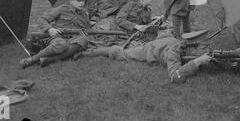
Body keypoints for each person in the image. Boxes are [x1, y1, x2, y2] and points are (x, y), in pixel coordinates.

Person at [81, 29, 214, 84]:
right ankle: (89, 52)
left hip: (166, 41)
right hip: (150, 50)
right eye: (203, 48)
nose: (207, 50)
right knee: (120, 52)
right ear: (192, 46)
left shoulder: (193, 49)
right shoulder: (175, 52)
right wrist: (196, 62)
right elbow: (175, 77)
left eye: (207, 47)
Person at [20, 0, 92, 68]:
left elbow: (87, 29)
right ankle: (32, 60)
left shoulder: (84, 15)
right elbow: (41, 19)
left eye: (83, 1)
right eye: (78, 1)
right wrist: (50, 29)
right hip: (58, 37)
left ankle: (48, 60)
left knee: (84, 40)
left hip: (73, 40)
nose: (81, 3)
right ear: (71, 1)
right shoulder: (62, 9)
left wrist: (85, 33)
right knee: (61, 44)